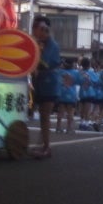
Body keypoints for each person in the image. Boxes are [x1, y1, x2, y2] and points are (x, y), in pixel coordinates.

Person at [30, 16, 61, 159]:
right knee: (43, 116)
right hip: (42, 82)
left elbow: (43, 63)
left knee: (45, 116)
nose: (35, 30)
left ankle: (46, 147)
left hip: (49, 83)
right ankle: (43, 146)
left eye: (38, 28)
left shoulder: (51, 45)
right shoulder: (41, 43)